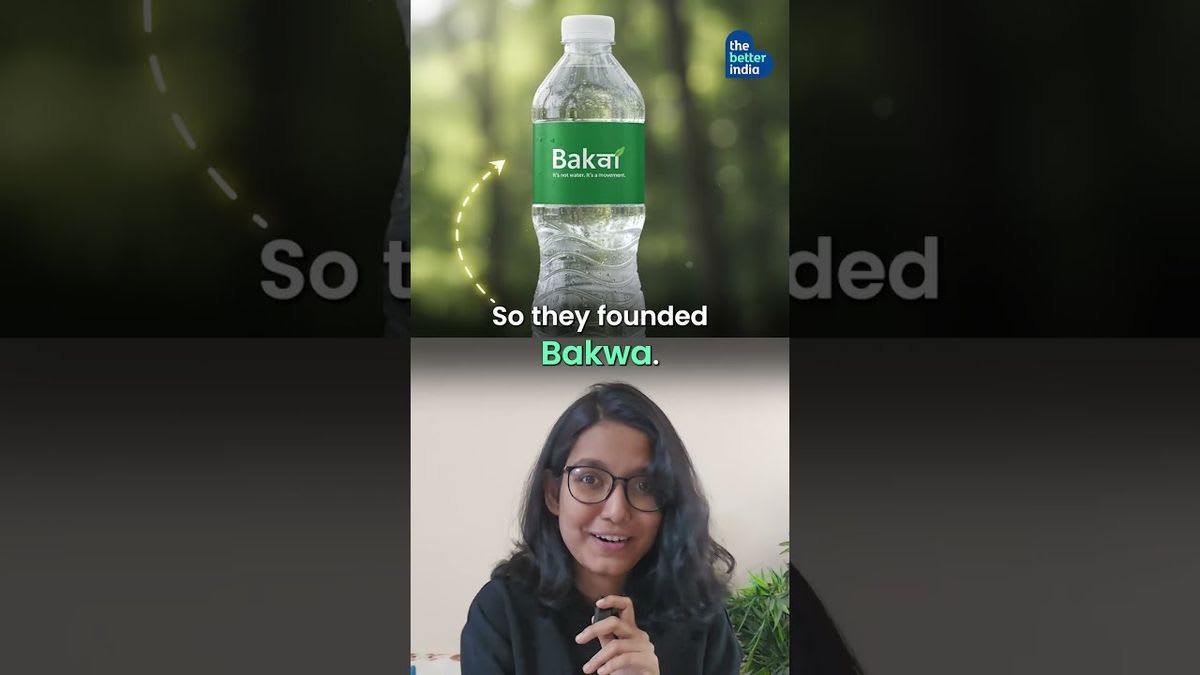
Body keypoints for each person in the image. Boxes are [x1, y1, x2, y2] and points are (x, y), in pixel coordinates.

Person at [461, 383, 743, 674]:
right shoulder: (501, 611)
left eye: (645, 485)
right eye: (590, 479)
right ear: (553, 494)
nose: (616, 511)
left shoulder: (701, 617)